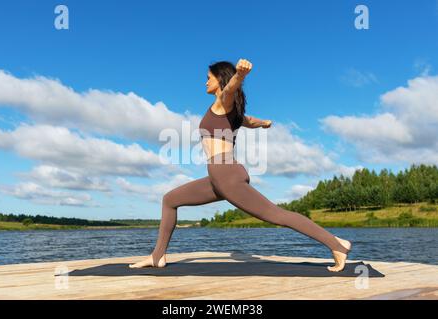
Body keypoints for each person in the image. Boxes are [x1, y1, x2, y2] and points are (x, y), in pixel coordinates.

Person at [129, 59, 352, 272]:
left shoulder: (222, 102)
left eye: (209, 78)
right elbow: (250, 121)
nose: (205, 82)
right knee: (170, 200)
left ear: (220, 79)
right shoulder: (233, 112)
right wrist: (265, 123)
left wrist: (239, 75)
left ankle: (337, 245)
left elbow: (229, 91)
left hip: (227, 175)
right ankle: (157, 256)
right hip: (219, 178)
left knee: (276, 215)